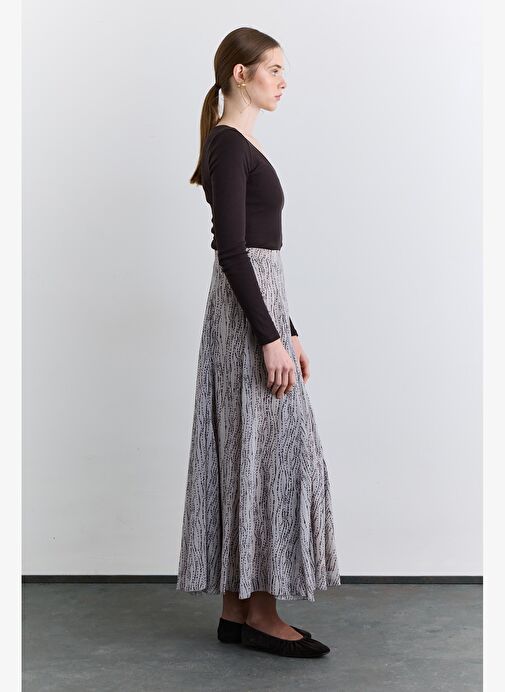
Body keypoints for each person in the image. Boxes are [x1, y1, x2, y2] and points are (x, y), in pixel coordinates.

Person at [176, 27, 341, 658]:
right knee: (267, 457)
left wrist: (288, 330)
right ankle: (263, 615)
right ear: (240, 75)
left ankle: (235, 611)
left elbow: (259, 255)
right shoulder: (227, 144)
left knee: (254, 451)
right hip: (247, 321)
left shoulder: (240, 144)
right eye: (273, 69)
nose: (283, 81)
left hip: (261, 313)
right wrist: (268, 336)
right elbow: (231, 249)